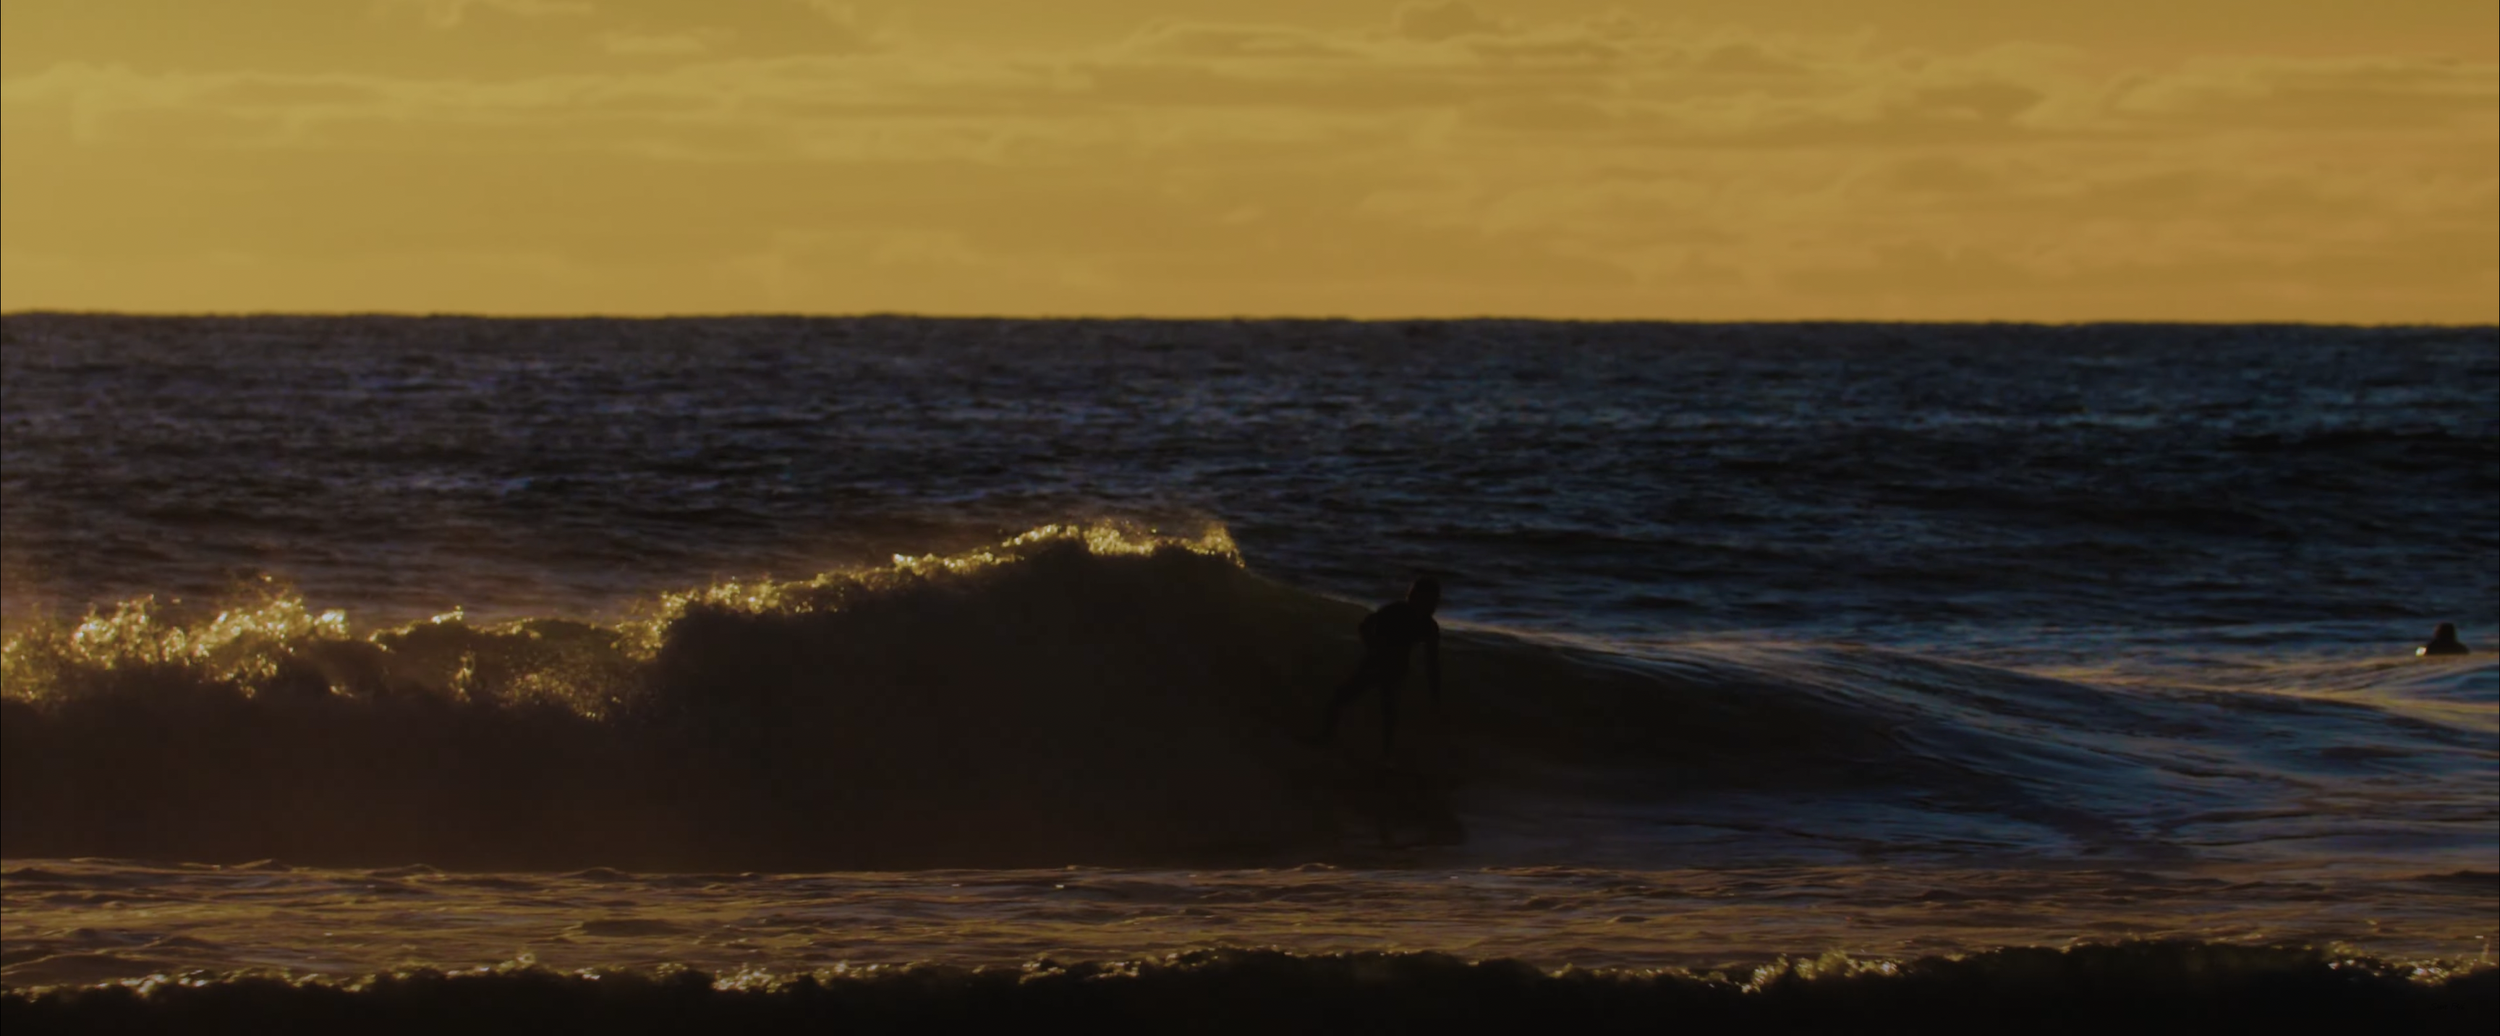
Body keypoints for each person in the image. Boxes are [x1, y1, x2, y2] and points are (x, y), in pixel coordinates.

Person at [1321, 576, 1442, 759]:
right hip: (1376, 661)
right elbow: (1365, 625)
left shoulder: (1430, 627)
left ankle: (1386, 756)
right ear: (1414, 597)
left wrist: (1435, 694)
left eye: (1435, 602)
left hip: (1397, 668)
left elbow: (1431, 662)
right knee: (1341, 697)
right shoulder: (1396, 610)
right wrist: (1373, 646)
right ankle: (1326, 737)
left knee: (1389, 711)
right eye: (1429, 601)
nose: (1433, 607)